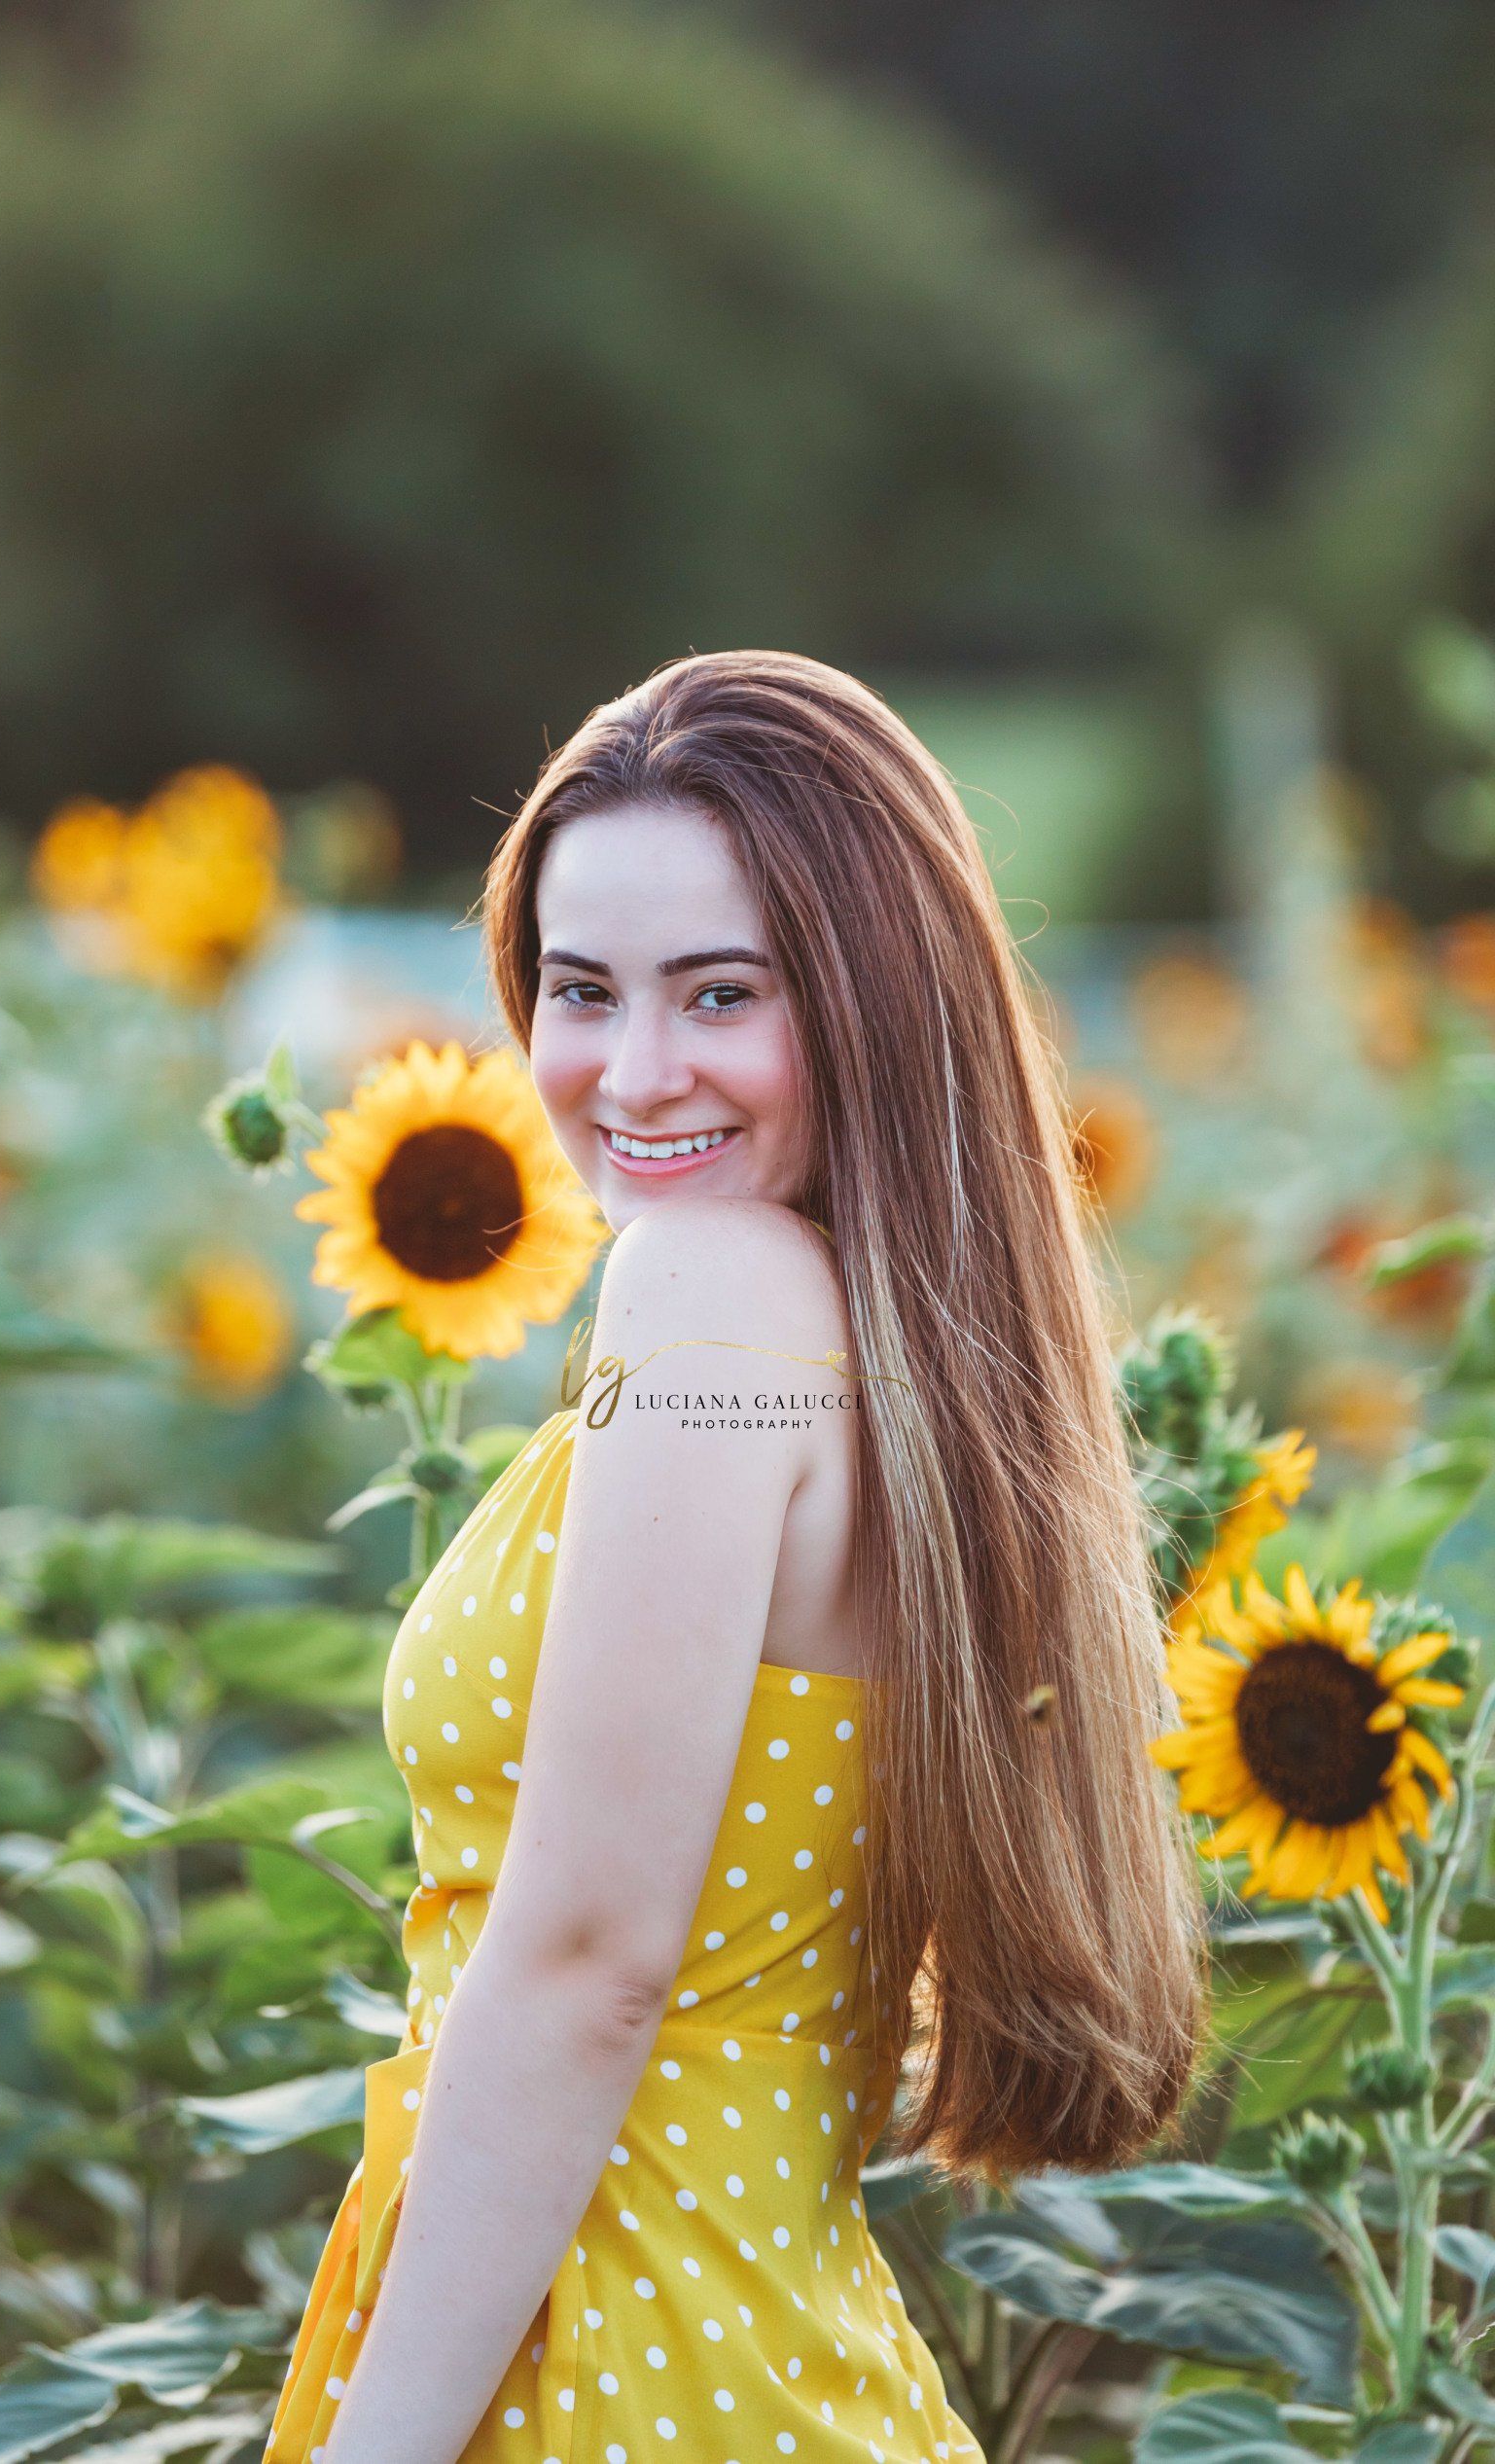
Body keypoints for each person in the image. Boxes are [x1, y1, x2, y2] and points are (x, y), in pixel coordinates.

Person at [265, 649, 1203, 2464]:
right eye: (579, 989)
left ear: (863, 1006)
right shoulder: (884, 1354)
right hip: (717, 2342)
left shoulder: (708, 1293)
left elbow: (593, 1955)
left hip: (630, 2349)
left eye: (722, 993)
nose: (632, 1072)